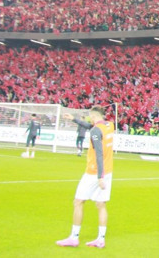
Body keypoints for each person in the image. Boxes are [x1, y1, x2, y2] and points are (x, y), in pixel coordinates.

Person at [56, 106, 114, 249]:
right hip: (108, 171)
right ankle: (101, 239)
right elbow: (91, 127)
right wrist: (74, 119)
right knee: (101, 204)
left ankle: (74, 237)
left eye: (90, 117)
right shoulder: (109, 125)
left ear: (94, 117)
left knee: (78, 202)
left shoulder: (95, 130)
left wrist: (99, 177)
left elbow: (99, 153)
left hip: (94, 172)